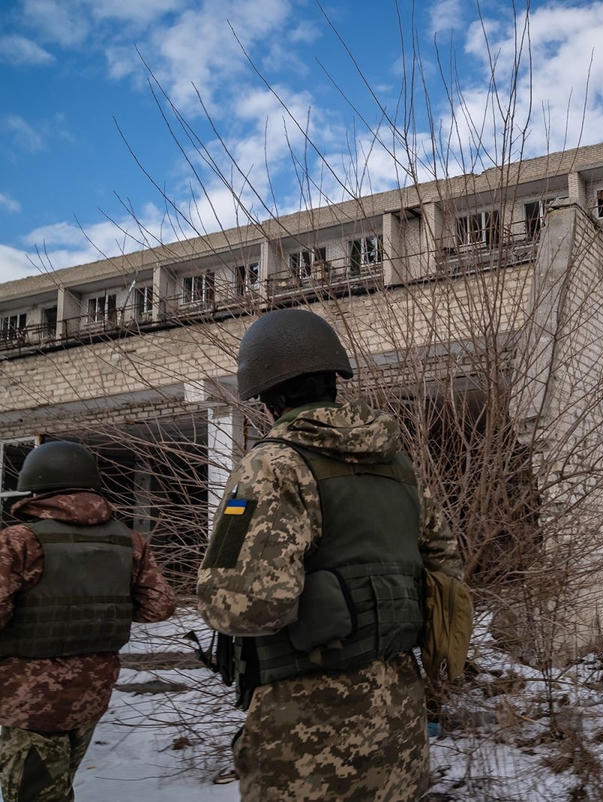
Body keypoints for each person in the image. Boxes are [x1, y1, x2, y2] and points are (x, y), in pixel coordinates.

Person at [197, 308, 464, 802]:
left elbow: (242, 604)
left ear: (266, 397)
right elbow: (446, 571)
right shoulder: (398, 467)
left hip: (308, 733)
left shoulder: (273, 465)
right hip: (400, 722)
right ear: (334, 380)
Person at [0, 440, 177, 801]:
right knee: (58, 787)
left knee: (31, 794)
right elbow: (159, 606)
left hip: (29, 699)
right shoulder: (130, 541)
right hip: (92, 692)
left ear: (36, 486)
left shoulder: (19, 540)